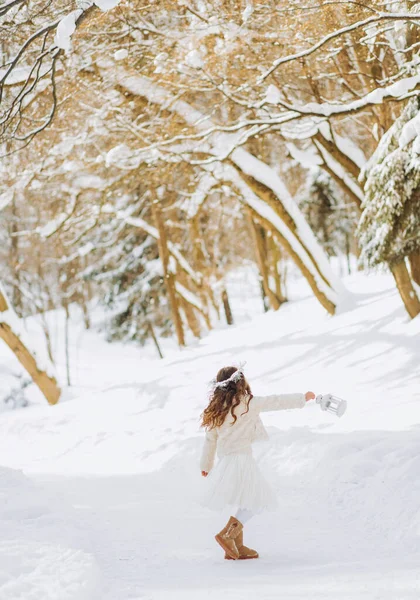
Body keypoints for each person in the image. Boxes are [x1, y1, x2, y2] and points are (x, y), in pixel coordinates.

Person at [200, 365, 315, 560]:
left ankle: (238, 546)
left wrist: (206, 465)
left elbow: (210, 440)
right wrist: (302, 398)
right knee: (257, 501)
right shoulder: (248, 403)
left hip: (227, 460)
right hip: (242, 459)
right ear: (240, 383)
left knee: (248, 498)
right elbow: (276, 401)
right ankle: (228, 535)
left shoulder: (217, 409)